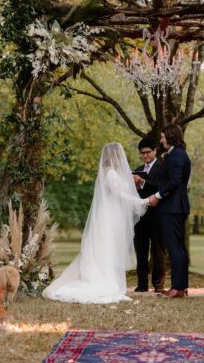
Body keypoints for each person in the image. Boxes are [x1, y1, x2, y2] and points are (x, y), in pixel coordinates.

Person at [43, 142, 149, 304]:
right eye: (119, 154)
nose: (122, 157)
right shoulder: (110, 173)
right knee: (107, 248)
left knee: (112, 248)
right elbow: (119, 195)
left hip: (115, 215)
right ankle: (104, 281)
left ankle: (112, 281)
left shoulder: (116, 173)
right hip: (110, 216)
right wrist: (143, 202)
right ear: (114, 156)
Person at [149, 124, 191, 298]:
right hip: (176, 207)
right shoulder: (177, 154)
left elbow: (174, 181)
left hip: (173, 207)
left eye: (163, 136)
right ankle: (180, 287)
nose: (161, 140)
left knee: (174, 249)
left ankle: (177, 288)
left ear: (171, 137)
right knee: (178, 248)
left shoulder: (175, 156)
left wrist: (158, 196)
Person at [133, 138, 166, 293]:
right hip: (140, 217)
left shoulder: (162, 167)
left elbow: (163, 187)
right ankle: (142, 284)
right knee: (140, 250)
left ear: (155, 151)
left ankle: (158, 284)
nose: (145, 155)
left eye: (148, 152)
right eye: (142, 153)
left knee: (158, 251)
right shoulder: (137, 169)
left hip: (158, 216)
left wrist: (143, 183)